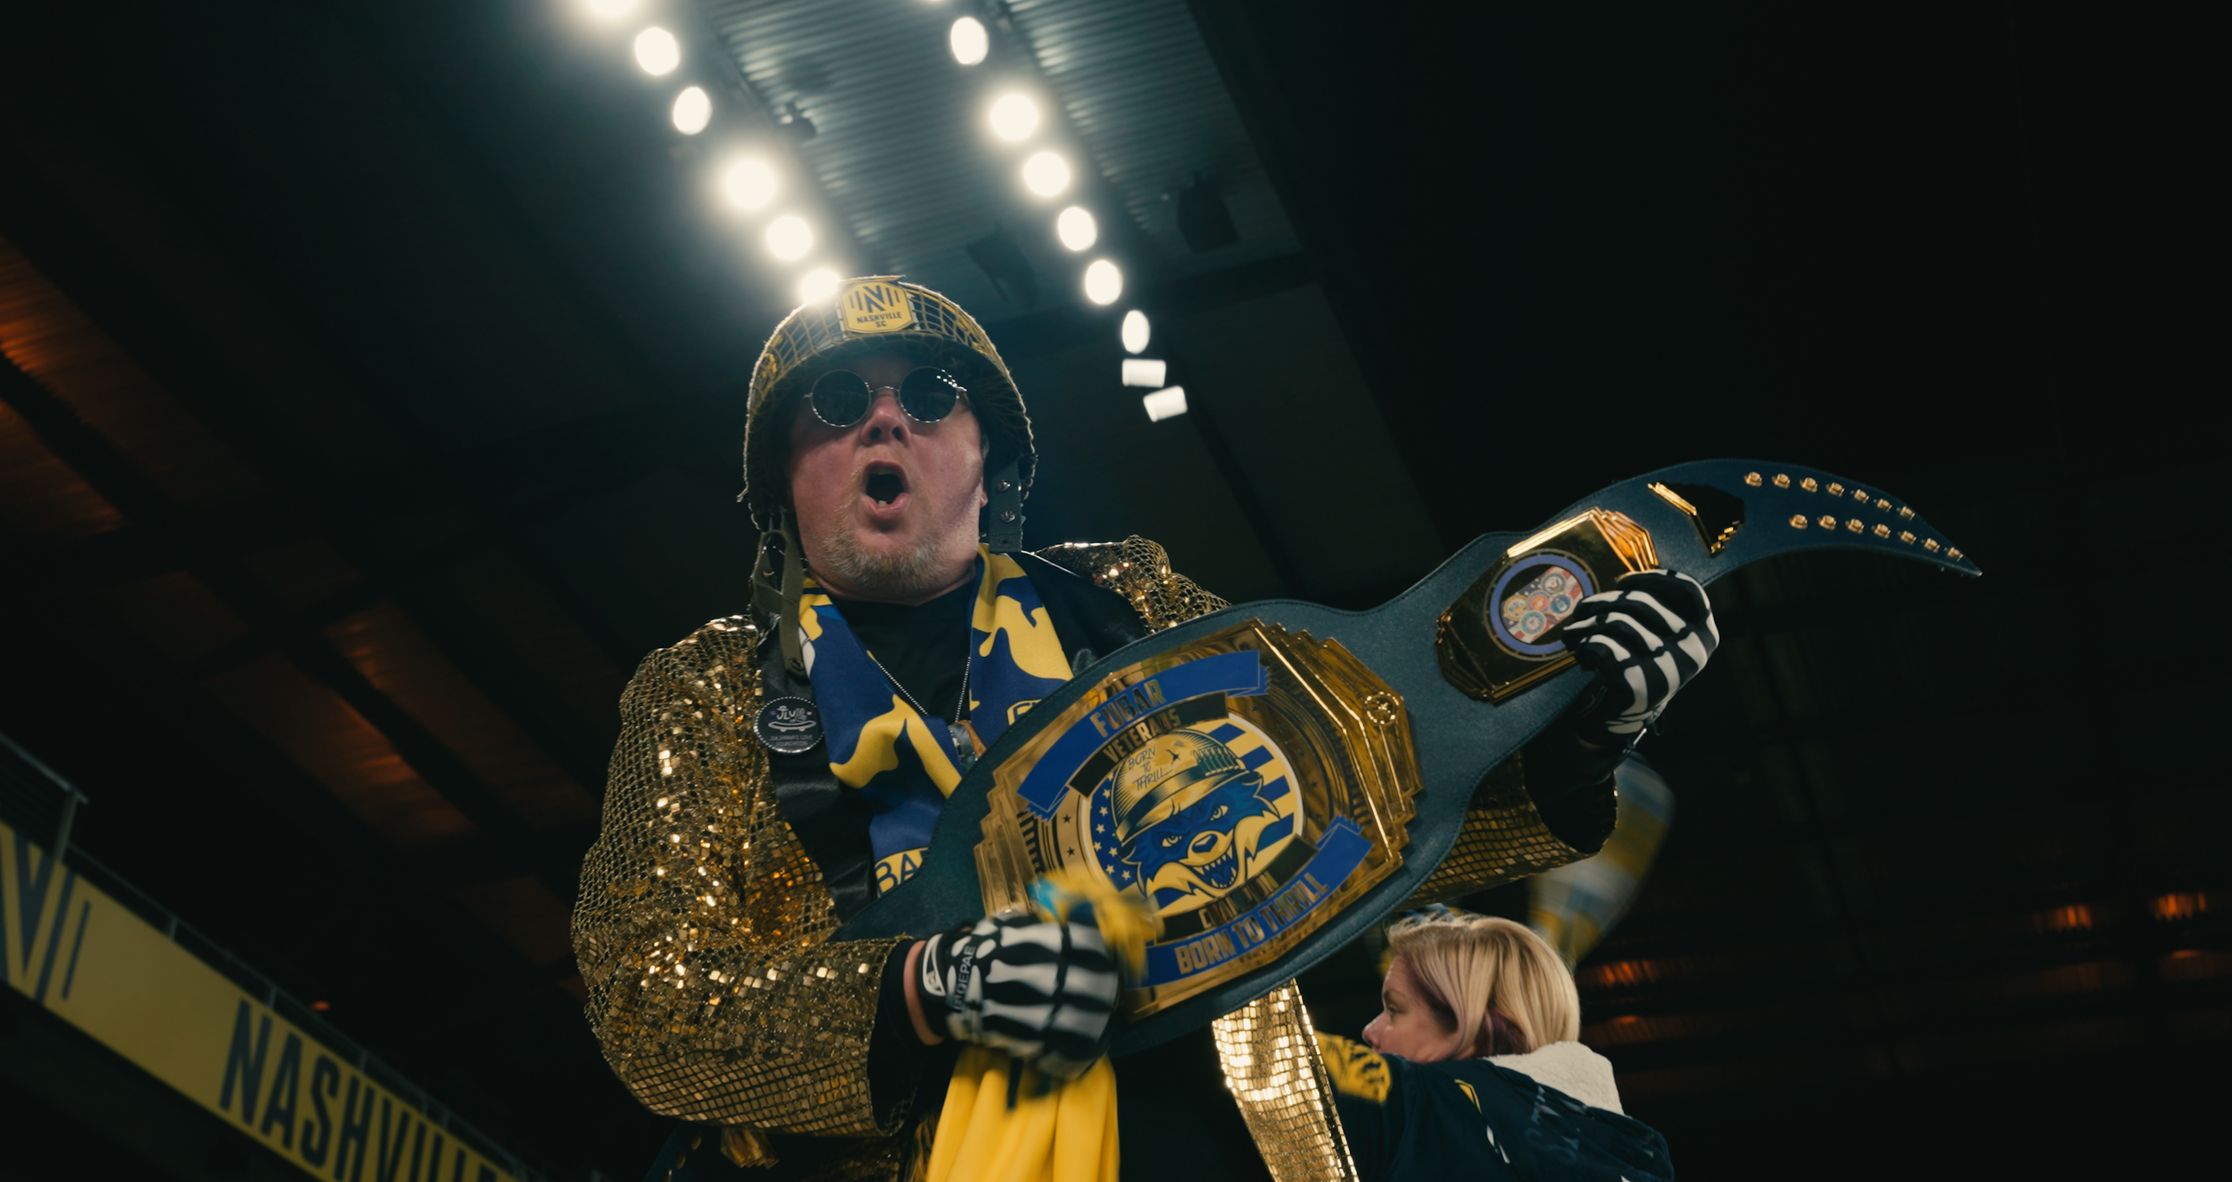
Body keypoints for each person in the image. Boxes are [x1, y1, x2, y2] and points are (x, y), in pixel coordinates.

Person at [568, 277, 1717, 1182]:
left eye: (928, 394)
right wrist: (925, 986)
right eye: (834, 400)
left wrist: (1576, 740)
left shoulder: (1124, 603)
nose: (883, 417)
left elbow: (1353, 811)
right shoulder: (702, 692)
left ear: (986, 454)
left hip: (1201, 1140)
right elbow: (644, 999)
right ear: (781, 474)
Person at [1322, 911, 1673, 1180]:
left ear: (1474, 1031)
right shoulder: (1625, 1157)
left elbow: (1299, 1059)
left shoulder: (1431, 1106)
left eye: (1395, 1009)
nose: (1369, 1030)